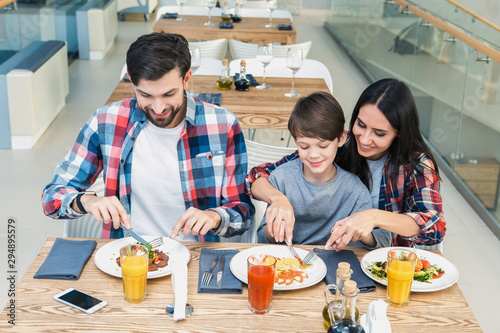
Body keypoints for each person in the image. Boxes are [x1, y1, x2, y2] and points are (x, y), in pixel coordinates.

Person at [42, 32, 253, 241]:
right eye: (145, 95)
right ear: (132, 82)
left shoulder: (222, 124)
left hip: (196, 258)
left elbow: (242, 212)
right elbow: (52, 199)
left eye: (168, 94)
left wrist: (214, 216)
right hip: (127, 256)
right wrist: (86, 201)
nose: (158, 108)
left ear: (186, 78)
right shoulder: (106, 121)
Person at [247, 78, 446, 250]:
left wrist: (374, 217)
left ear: (399, 132)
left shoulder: (417, 165)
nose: (365, 139)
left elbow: (434, 228)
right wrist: (278, 199)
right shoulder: (341, 143)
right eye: (360, 124)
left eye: (379, 133)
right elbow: (260, 174)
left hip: (388, 260)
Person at [256, 92, 390, 248]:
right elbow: (262, 237)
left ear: (341, 139)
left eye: (323, 146)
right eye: (304, 147)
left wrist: (361, 233)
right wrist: (274, 230)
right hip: (287, 262)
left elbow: (382, 241)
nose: (313, 155)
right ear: (295, 142)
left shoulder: (355, 190)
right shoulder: (281, 179)